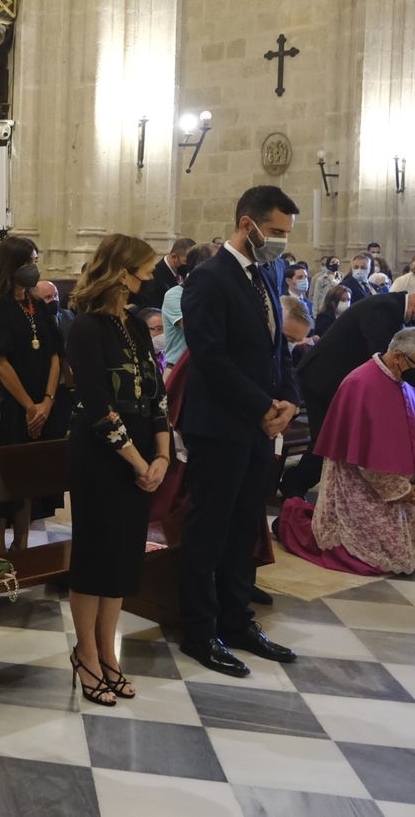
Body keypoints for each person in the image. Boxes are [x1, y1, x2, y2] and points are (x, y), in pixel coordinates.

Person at [177, 186, 301, 678]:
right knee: (208, 530)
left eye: (285, 235)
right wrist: (261, 405)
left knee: (246, 525)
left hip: (258, 425)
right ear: (247, 224)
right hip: (220, 426)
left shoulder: (265, 273)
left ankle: (237, 620)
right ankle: (200, 631)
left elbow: (278, 348)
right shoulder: (208, 278)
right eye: (274, 232)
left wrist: (288, 400)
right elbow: (211, 356)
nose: (279, 243)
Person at [64, 234, 171, 705]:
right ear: (121, 272)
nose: (150, 278)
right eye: (144, 271)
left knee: (123, 561)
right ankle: (86, 654)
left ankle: (109, 653)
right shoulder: (85, 328)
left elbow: (156, 395)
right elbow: (97, 405)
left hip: (144, 459)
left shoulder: (134, 323)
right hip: (101, 460)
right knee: (95, 560)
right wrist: (139, 460)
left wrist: (163, 456)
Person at [279, 328, 415, 576]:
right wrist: (404, 491)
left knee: (399, 557)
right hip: (362, 484)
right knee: (375, 560)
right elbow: (366, 457)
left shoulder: (406, 382)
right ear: (398, 356)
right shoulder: (361, 384)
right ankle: (289, 520)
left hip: (398, 489)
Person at [281, 288, 415, 500]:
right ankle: (293, 488)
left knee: (333, 443)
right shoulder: (384, 308)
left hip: (341, 381)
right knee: (327, 442)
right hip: (323, 380)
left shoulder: (394, 308)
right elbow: (385, 359)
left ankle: (301, 488)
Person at [0, 235, 67, 553]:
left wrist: (47, 401)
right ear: (12, 265)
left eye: (35, 261)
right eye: (28, 262)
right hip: (11, 407)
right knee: (5, 473)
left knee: (31, 475)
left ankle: (24, 542)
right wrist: (30, 406)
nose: (33, 268)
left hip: (43, 403)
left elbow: (56, 353)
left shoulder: (38, 305)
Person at [160, 243, 217, 371]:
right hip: (180, 368)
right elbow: (197, 326)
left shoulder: (217, 292)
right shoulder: (174, 295)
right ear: (202, 266)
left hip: (209, 367)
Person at [136, 237, 194, 310]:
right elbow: (149, 308)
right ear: (173, 257)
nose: (189, 265)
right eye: (186, 261)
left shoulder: (184, 272)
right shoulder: (153, 276)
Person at [35, 279, 76, 345]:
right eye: (48, 297)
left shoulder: (68, 315)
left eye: (56, 295)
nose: (54, 300)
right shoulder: (33, 320)